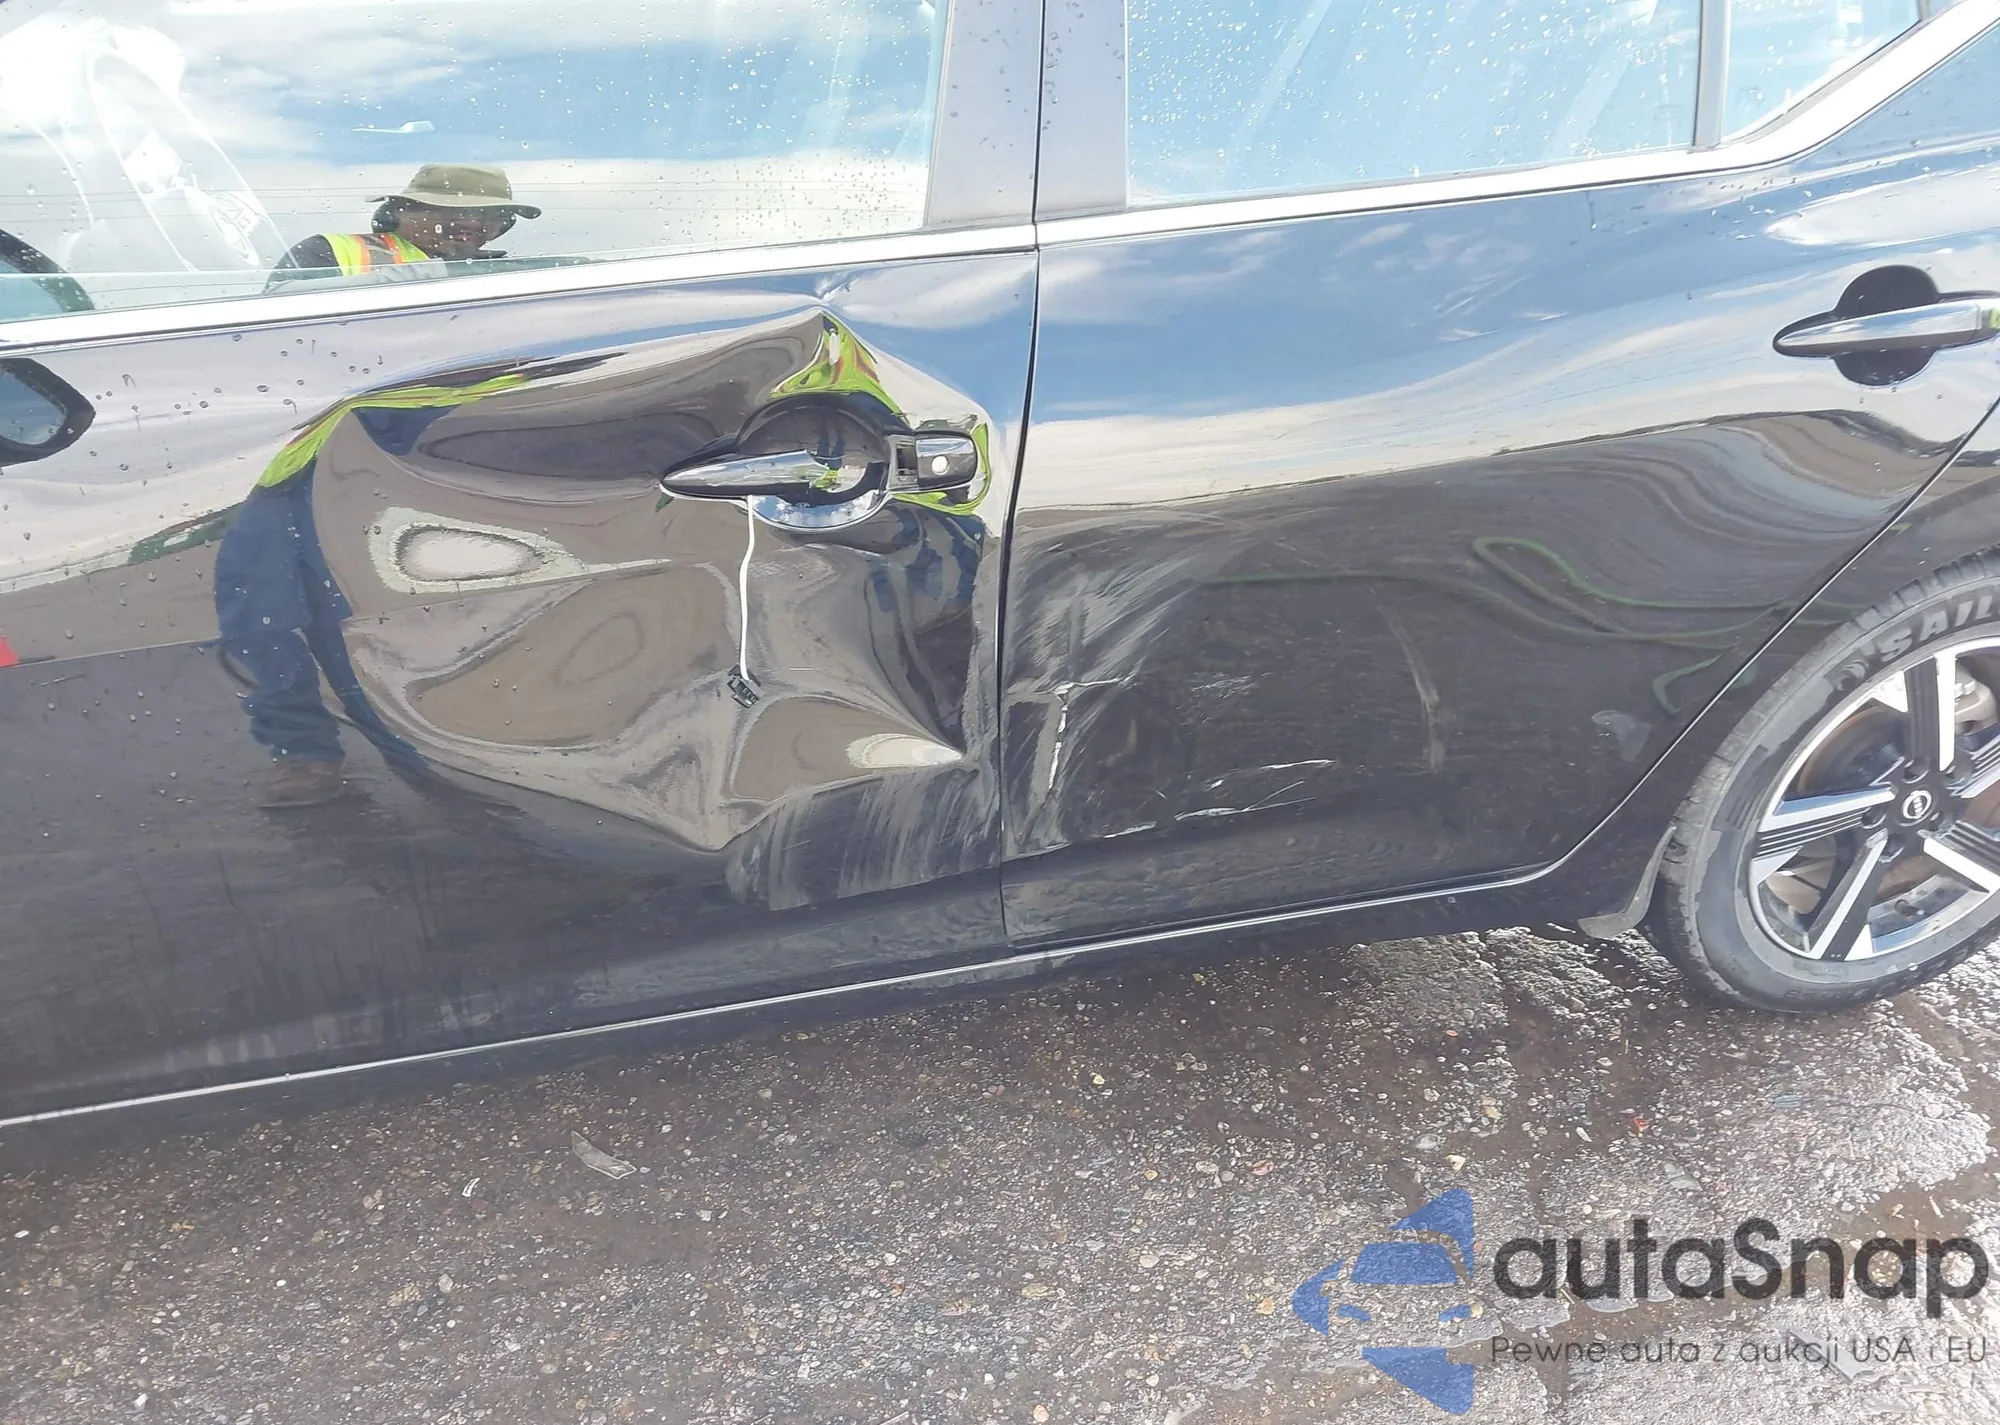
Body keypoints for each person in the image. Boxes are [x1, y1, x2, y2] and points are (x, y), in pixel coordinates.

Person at [264, 163, 540, 288]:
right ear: (402, 210)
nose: (470, 222)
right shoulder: (328, 250)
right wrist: (435, 274)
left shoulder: (508, 276)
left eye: (490, 214)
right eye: (452, 210)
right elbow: (277, 307)